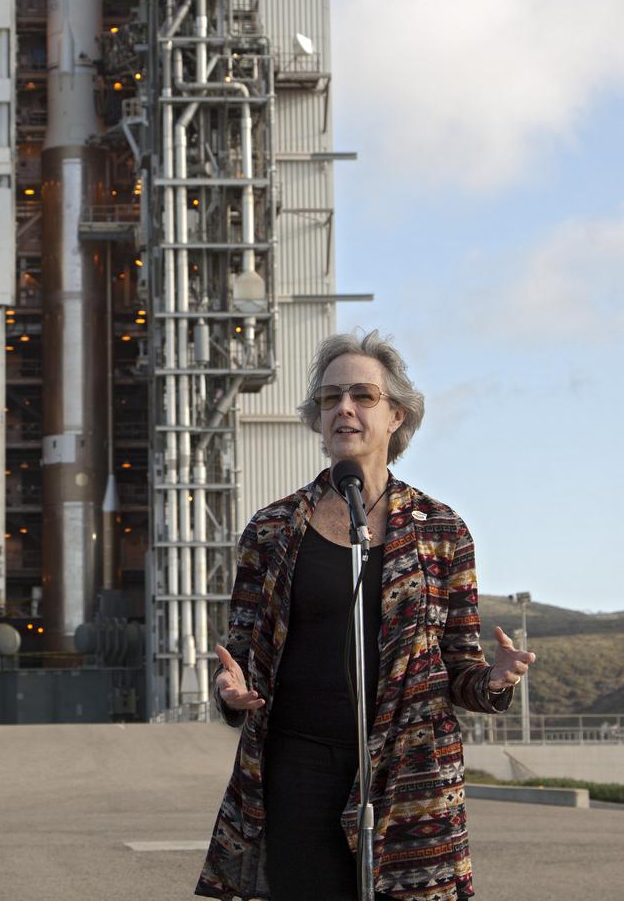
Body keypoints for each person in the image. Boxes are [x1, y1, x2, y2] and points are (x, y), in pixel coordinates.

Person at [196, 330, 535, 901]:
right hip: (297, 764)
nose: (344, 409)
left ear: (396, 415)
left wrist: (495, 682)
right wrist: (230, 692)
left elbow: (460, 670)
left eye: (362, 396)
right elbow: (243, 654)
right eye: (330, 398)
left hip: (410, 768)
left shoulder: (442, 531)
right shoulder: (273, 529)